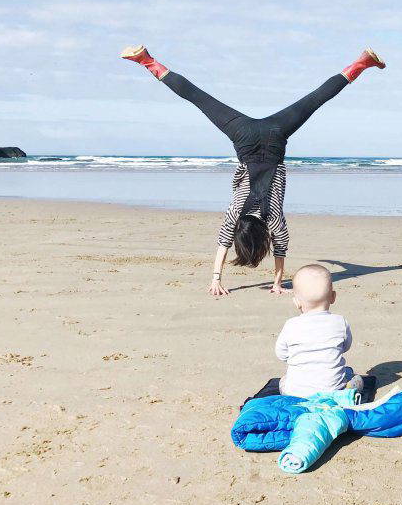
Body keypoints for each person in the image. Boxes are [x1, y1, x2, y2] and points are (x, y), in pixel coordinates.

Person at [121, 45, 385, 296]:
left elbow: (281, 249)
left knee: (312, 101)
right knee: (200, 98)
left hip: (274, 137)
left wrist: (278, 283)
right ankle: (146, 59)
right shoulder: (236, 215)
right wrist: (216, 278)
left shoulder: (274, 221)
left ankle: (362, 63)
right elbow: (223, 243)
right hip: (245, 136)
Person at [275, 264, 361, 397]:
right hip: (332, 391)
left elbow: (281, 354)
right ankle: (346, 393)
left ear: (297, 302)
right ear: (333, 297)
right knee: (352, 375)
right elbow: (346, 346)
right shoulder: (340, 322)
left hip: (295, 393)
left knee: (284, 380)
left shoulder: (291, 325)